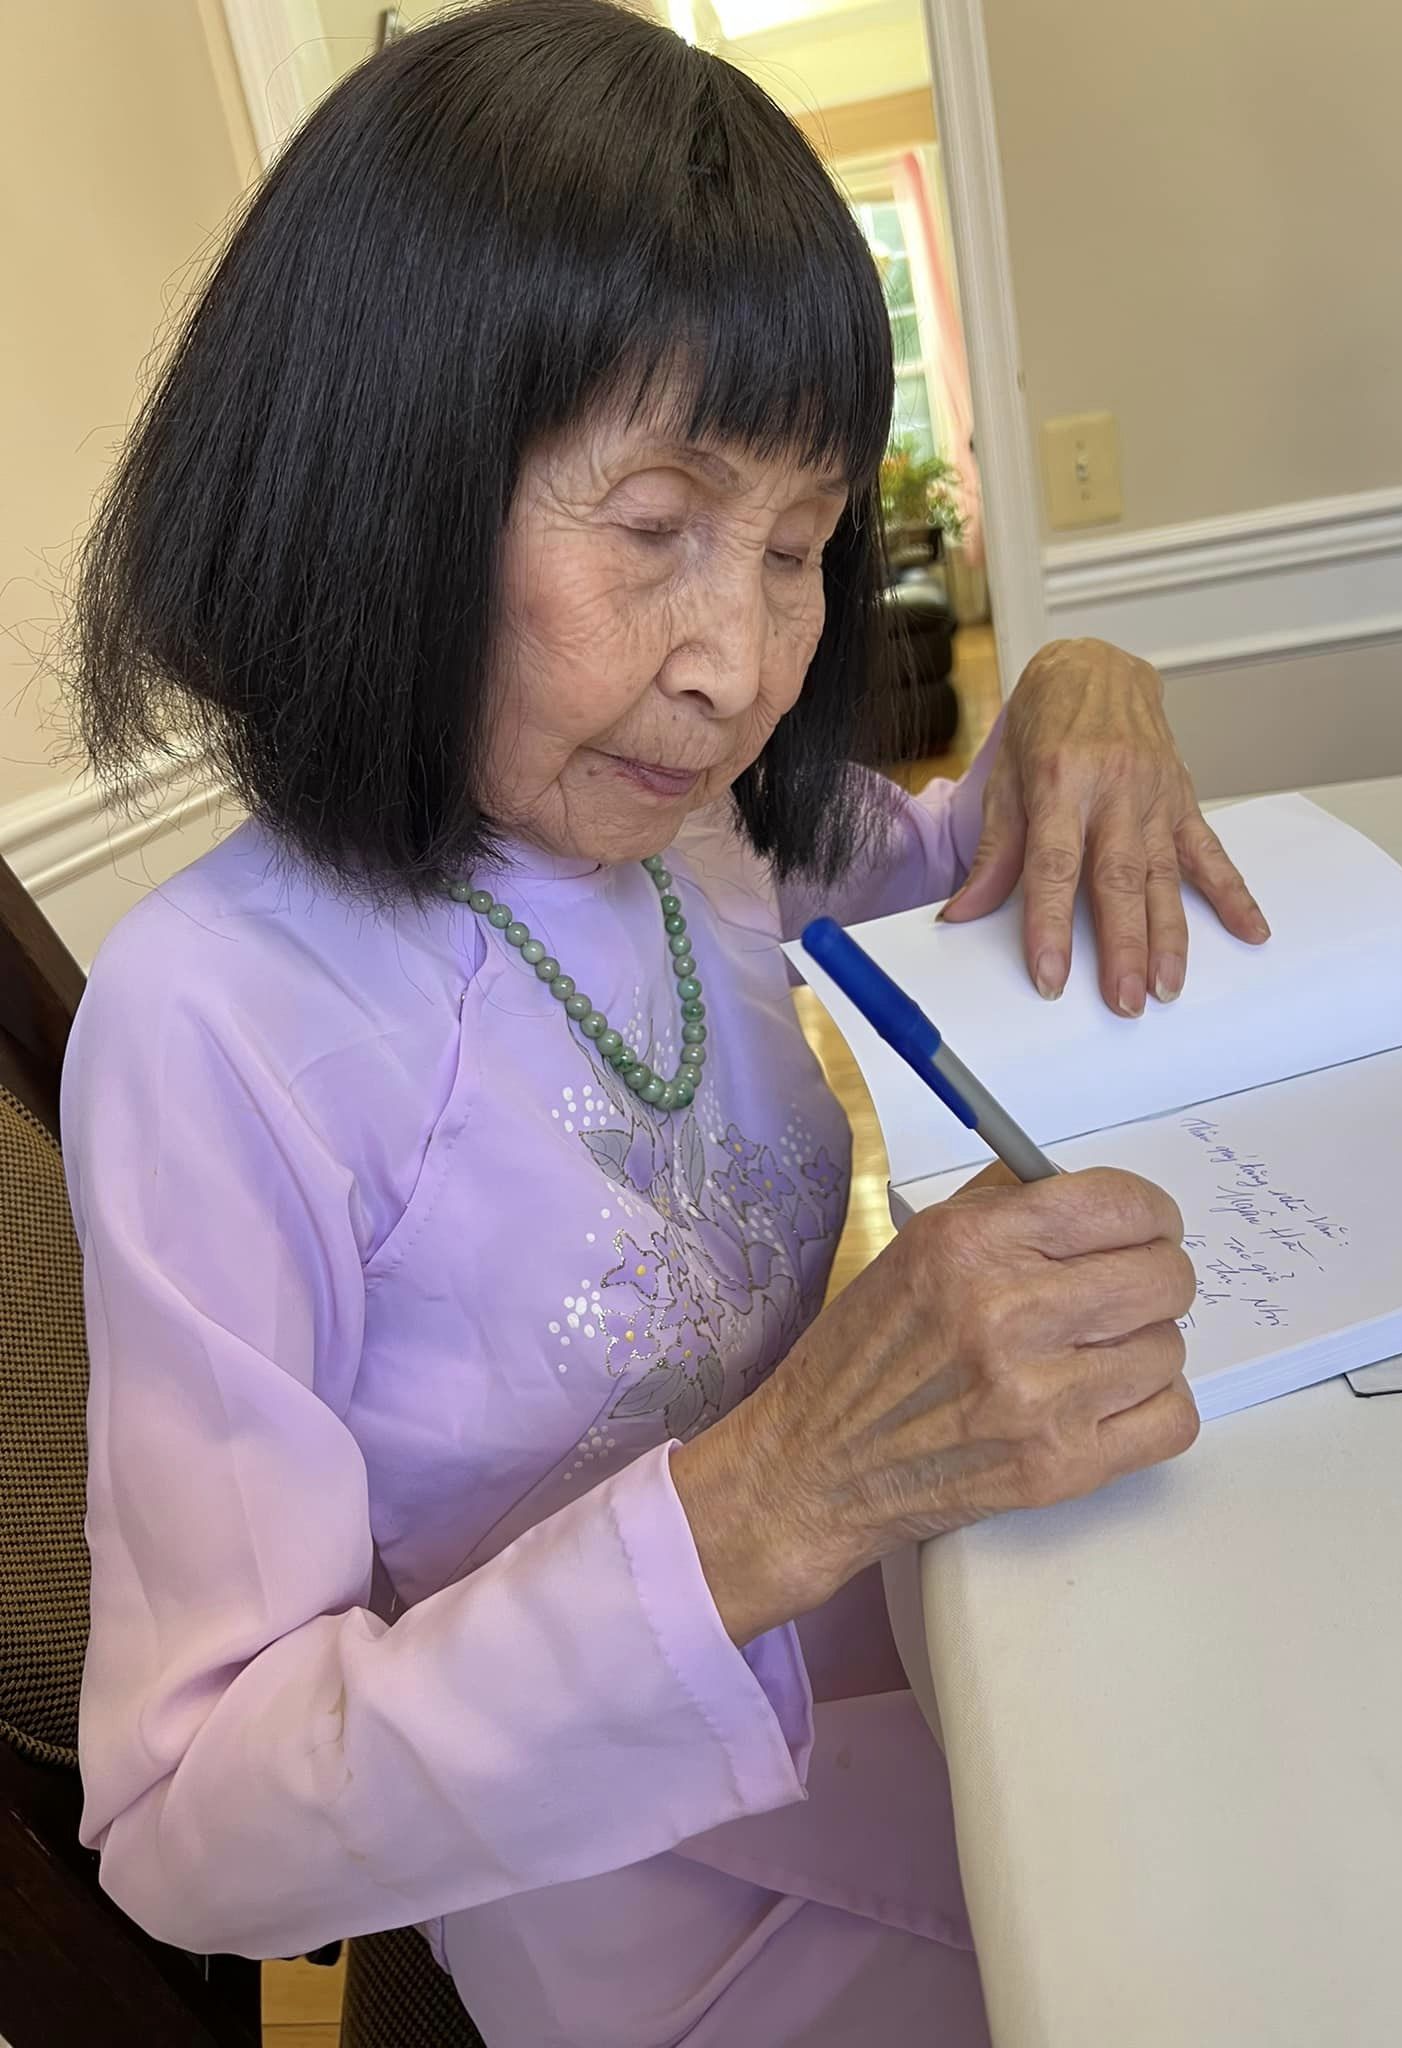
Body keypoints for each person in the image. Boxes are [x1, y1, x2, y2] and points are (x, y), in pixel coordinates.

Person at [62, 5, 1268, 2042]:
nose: (739, 664)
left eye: (798, 551)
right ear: (384, 486)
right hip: (650, 1909)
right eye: (654, 531)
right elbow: (194, 1827)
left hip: (946, 1674)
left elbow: (972, 856)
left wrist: (1089, 686)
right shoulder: (221, 1023)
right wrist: (773, 1496)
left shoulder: (696, 824)